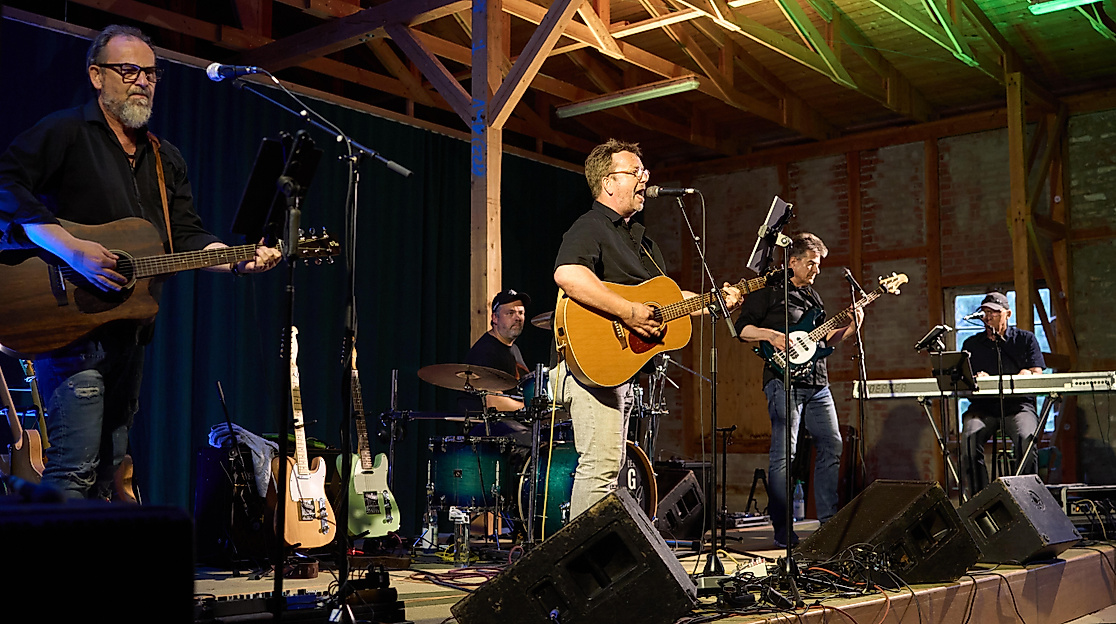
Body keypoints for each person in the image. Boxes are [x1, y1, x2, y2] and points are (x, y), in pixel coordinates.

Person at [0, 25, 281, 500]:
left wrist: (237, 261)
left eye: (150, 73)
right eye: (129, 71)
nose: (143, 82)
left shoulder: (164, 158)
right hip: (69, 327)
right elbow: (6, 186)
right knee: (73, 468)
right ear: (97, 75)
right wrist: (72, 248)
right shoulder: (66, 131)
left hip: (129, 332)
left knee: (109, 470)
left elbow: (185, 237)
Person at [553, 138, 742, 520]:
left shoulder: (642, 241)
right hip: (594, 365)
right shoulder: (591, 226)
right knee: (601, 467)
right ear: (608, 182)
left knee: (612, 467)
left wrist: (712, 301)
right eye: (635, 172)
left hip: (621, 370)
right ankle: (581, 555)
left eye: (645, 171)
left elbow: (665, 300)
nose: (645, 178)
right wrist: (627, 312)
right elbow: (568, 274)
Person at [734, 233, 862, 548]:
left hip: (818, 383)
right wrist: (772, 336)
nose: (817, 270)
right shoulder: (768, 291)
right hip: (782, 380)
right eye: (812, 264)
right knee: (784, 454)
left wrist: (851, 328)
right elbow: (742, 329)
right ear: (793, 261)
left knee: (832, 444)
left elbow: (823, 341)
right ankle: (783, 529)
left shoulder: (814, 298)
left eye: (819, 265)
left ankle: (829, 523)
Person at [960, 291, 1045, 497]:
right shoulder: (971, 345)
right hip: (983, 408)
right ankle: (980, 500)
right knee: (969, 441)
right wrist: (976, 378)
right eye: (985, 312)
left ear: (1008, 314)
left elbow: (1037, 372)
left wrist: (1027, 374)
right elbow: (964, 380)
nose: (988, 317)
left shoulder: (1025, 339)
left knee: (1026, 440)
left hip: (1018, 407)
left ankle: (1026, 498)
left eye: (994, 312)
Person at [461, 289, 534, 449]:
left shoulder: (514, 349)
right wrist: (530, 408)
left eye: (521, 313)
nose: (517, 318)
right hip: (486, 428)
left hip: (510, 422)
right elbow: (494, 402)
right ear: (495, 318)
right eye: (510, 313)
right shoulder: (486, 352)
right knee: (535, 441)